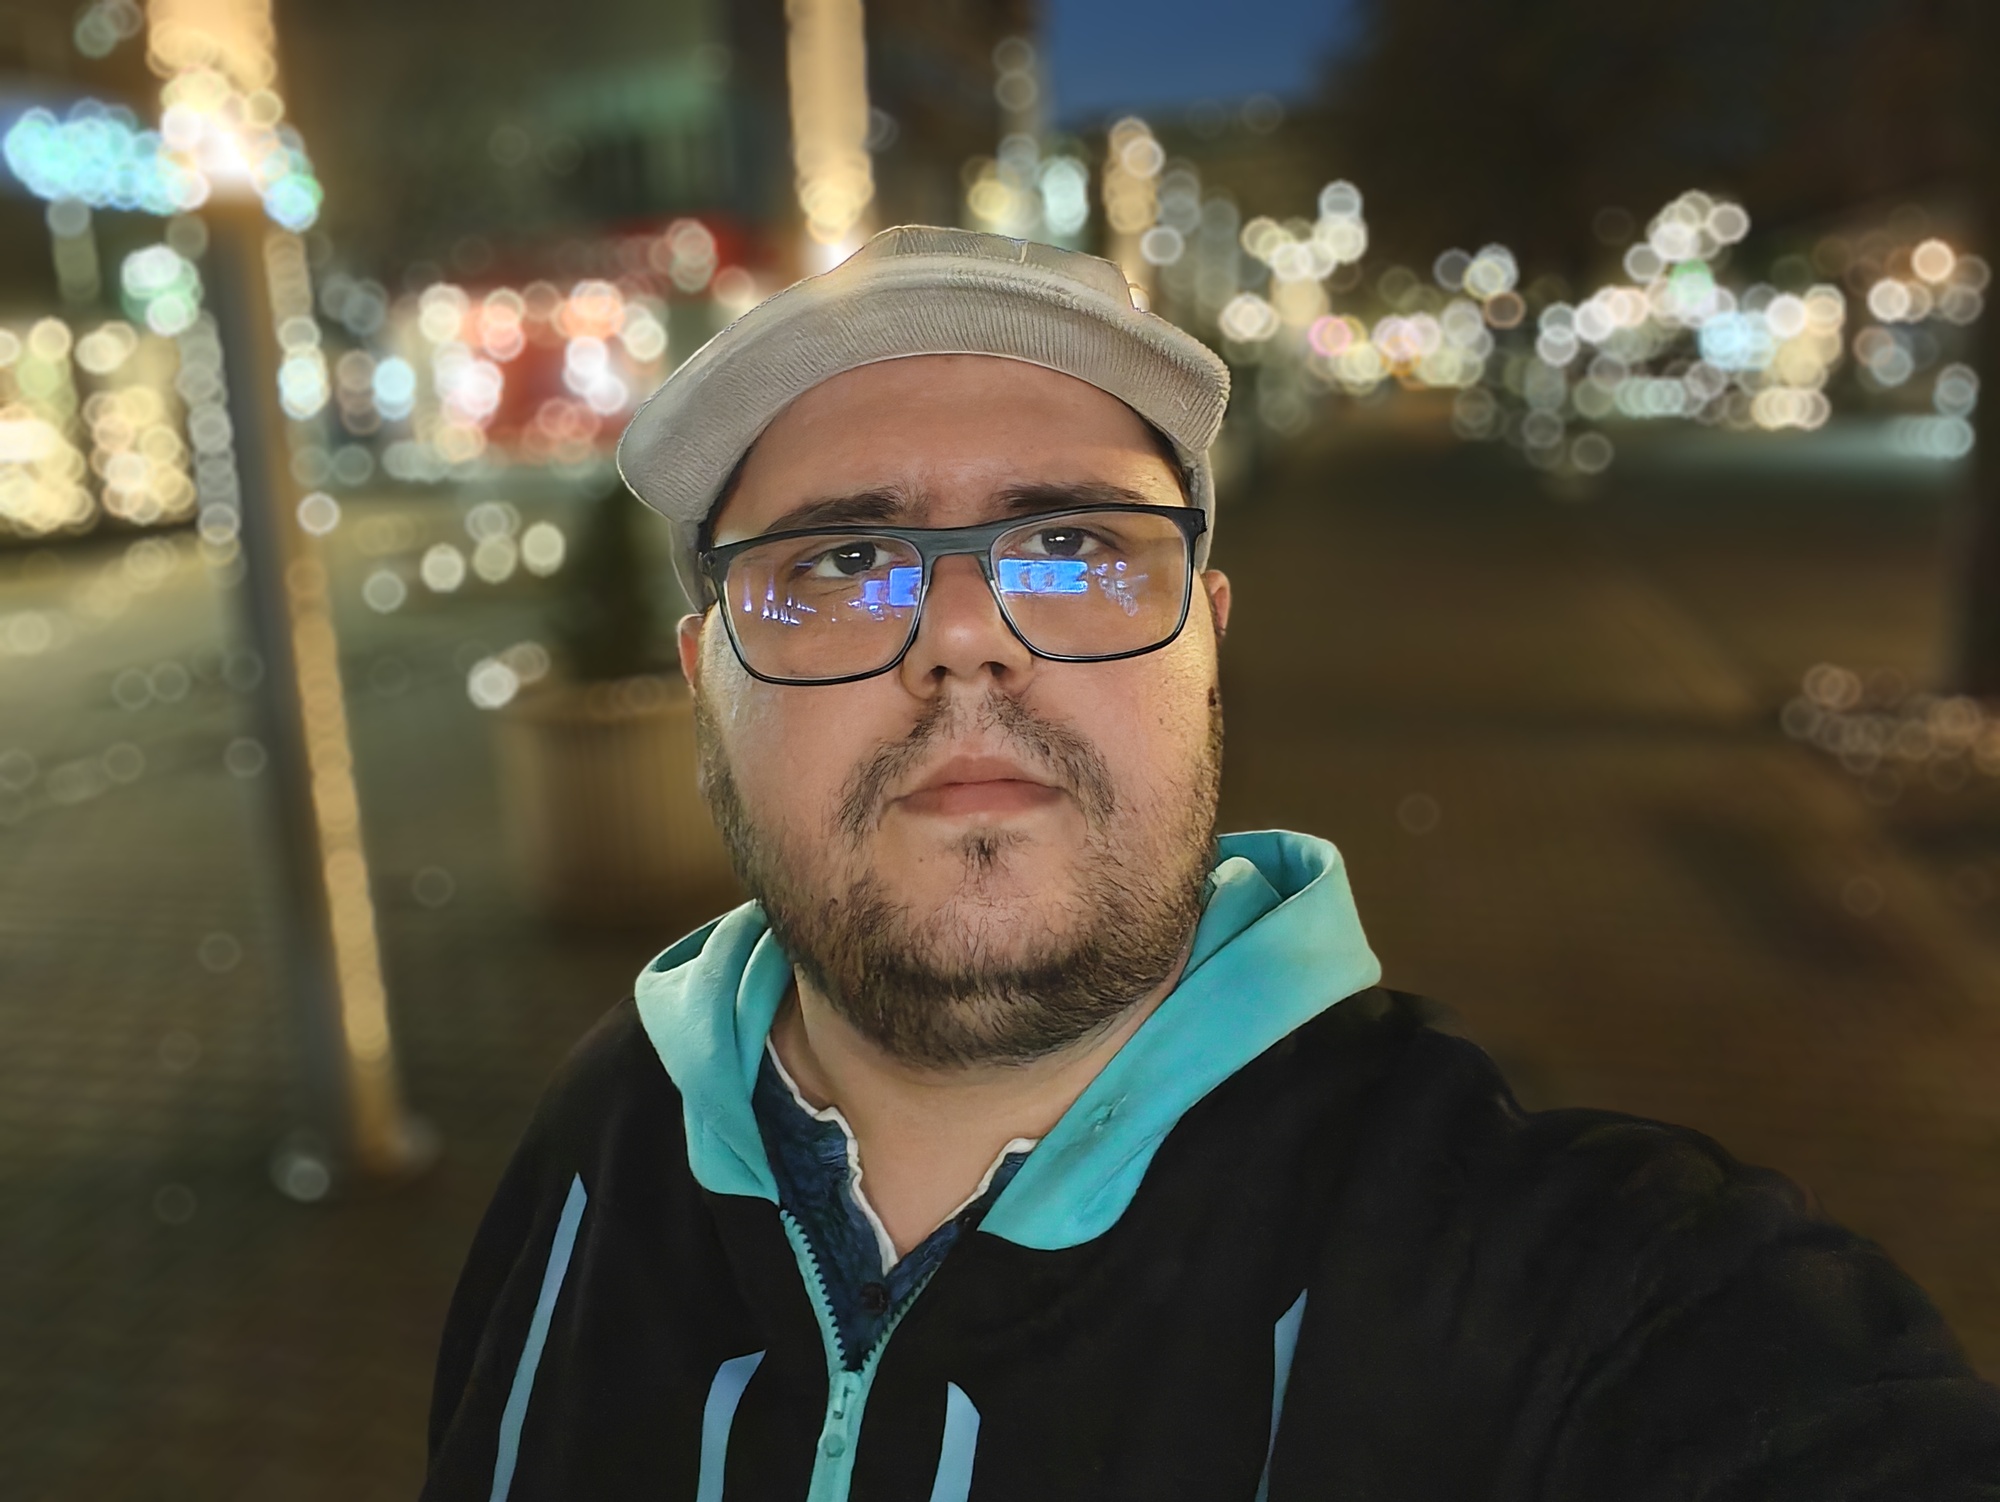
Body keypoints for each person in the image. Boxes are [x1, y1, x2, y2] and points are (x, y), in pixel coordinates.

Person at [422, 227, 2000, 1502]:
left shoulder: (1572, 1281)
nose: (964, 636)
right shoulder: (595, 1146)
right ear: (706, 679)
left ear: (1208, 643)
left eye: (1072, 546)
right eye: (842, 560)